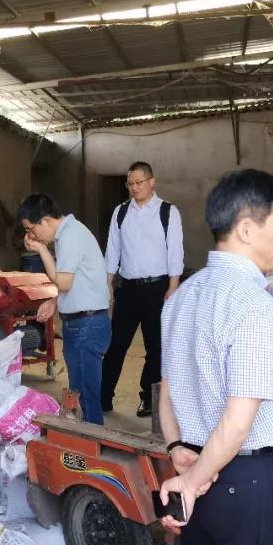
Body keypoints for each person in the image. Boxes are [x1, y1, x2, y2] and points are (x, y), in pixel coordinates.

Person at [135, 169, 273, 545]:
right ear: (248, 229)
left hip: (197, 469)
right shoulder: (253, 304)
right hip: (247, 481)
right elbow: (239, 418)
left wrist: (179, 453)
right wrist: (193, 480)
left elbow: (166, 390)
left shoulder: (182, 296)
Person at [18, 193, 110, 425]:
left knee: (87, 396)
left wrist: (41, 250)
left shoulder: (70, 236)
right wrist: (54, 301)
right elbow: (75, 280)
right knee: (78, 392)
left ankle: (93, 438)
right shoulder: (67, 235)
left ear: (45, 221)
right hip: (80, 323)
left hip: (87, 325)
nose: (31, 236)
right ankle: (86, 437)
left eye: (31, 229)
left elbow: (64, 282)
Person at [101, 162, 185, 418]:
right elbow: (112, 249)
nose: (134, 188)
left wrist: (173, 286)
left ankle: (148, 398)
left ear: (151, 182)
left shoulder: (167, 212)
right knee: (116, 345)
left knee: (155, 348)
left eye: (139, 182)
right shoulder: (121, 212)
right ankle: (103, 397)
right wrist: (108, 284)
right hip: (127, 288)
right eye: (130, 183)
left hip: (157, 289)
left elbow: (175, 250)